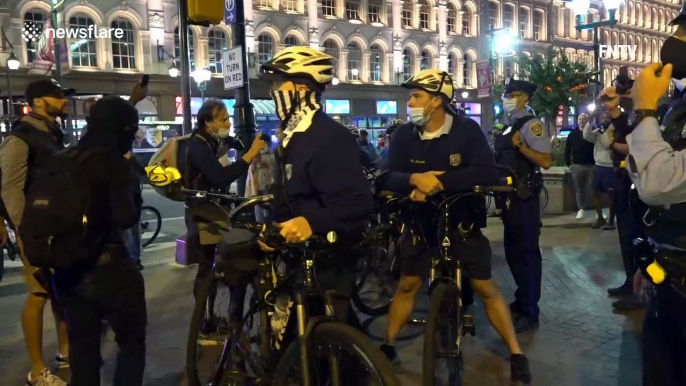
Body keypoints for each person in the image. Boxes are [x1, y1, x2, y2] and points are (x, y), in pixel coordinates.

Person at [379, 68, 531, 384]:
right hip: (418, 222)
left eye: (416, 96)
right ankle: (388, 345)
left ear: (437, 101)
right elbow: (384, 175)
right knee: (408, 284)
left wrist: (438, 182)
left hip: (461, 222)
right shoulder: (404, 136)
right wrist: (411, 180)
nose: (410, 102)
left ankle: (516, 353)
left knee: (486, 287)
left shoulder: (467, 131)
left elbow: (486, 172)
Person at [256, 46, 374, 327]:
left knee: (328, 339)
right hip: (298, 258)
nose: (274, 92)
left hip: (329, 260)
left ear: (301, 88)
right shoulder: (292, 136)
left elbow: (358, 202)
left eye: (278, 83)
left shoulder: (329, 137)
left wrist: (311, 222)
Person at [50, 96, 146, 386]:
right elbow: (126, 216)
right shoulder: (112, 162)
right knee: (131, 342)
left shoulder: (64, 158)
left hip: (67, 271)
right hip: (110, 269)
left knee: (82, 350)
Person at [626, 9, 686, 384]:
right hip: (672, 267)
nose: (674, 43)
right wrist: (651, 262)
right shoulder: (679, 105)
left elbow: (659, 183)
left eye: (684, 33)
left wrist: (645, 109)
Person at [0, 78, 72, 386]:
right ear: (39, 102)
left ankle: (67, 353)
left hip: (60, 230)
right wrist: (26, 230)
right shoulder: (20, 138)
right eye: (58, 96)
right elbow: (10, 189)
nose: (65, 101)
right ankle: (37, 368)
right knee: (39, 294)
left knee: (62, 293)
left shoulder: (53, 135)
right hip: (37, 232)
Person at [185, 99, 267, 298]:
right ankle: (204, 318)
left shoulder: (206, 142)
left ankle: (209, 314)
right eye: (222, 120)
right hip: (203, 214)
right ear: (207, 122)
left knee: (211, 264)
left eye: (228, 119)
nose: (228, 124)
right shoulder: (198, 146)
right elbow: (220, 177)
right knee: (207, 268)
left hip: (208, 210)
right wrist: (250, 155)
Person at [495, 76, 552, 333]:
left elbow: (546, 160)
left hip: (524, 198)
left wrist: (520, 146)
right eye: (506, 94)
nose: (507, 98)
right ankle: (521, 300)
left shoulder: (532, 125)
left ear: (525, 98)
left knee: (527, 253)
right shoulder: (510, 125)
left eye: (512, 94)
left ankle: (530, 310)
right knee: (513, 253)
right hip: (509, 199)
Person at [584, 111, 616, 229]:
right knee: (595, 193)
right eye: (603, 117)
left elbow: (607, 144)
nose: (605, 119)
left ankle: (611, 221)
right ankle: (600, 218)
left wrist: (604, 131)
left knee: (611, 195)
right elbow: (586, 136)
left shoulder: (613, 130)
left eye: (607, 117)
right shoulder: (599, 131)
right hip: (598, 165)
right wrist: (590, 121)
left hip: (610, 166)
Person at [565, 113, 596, 219]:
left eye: (584, 119)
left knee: (593, 188)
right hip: (577, 165)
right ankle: (581, 209)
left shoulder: (591, 133)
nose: (581, 121)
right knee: (579, 189)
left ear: (587, 121)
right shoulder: (572, 134)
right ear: (577, 121)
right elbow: (567, 149)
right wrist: (569, 164)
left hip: (591, 165)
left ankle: (597, 210)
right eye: (580, 119)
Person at [245, 146, 276, 222]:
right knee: (260, 208)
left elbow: (273, 171)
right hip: (259, 187)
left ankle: (265, 225)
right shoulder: (256, 158)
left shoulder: (270, 157)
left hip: (263, 187)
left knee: (264, 208)